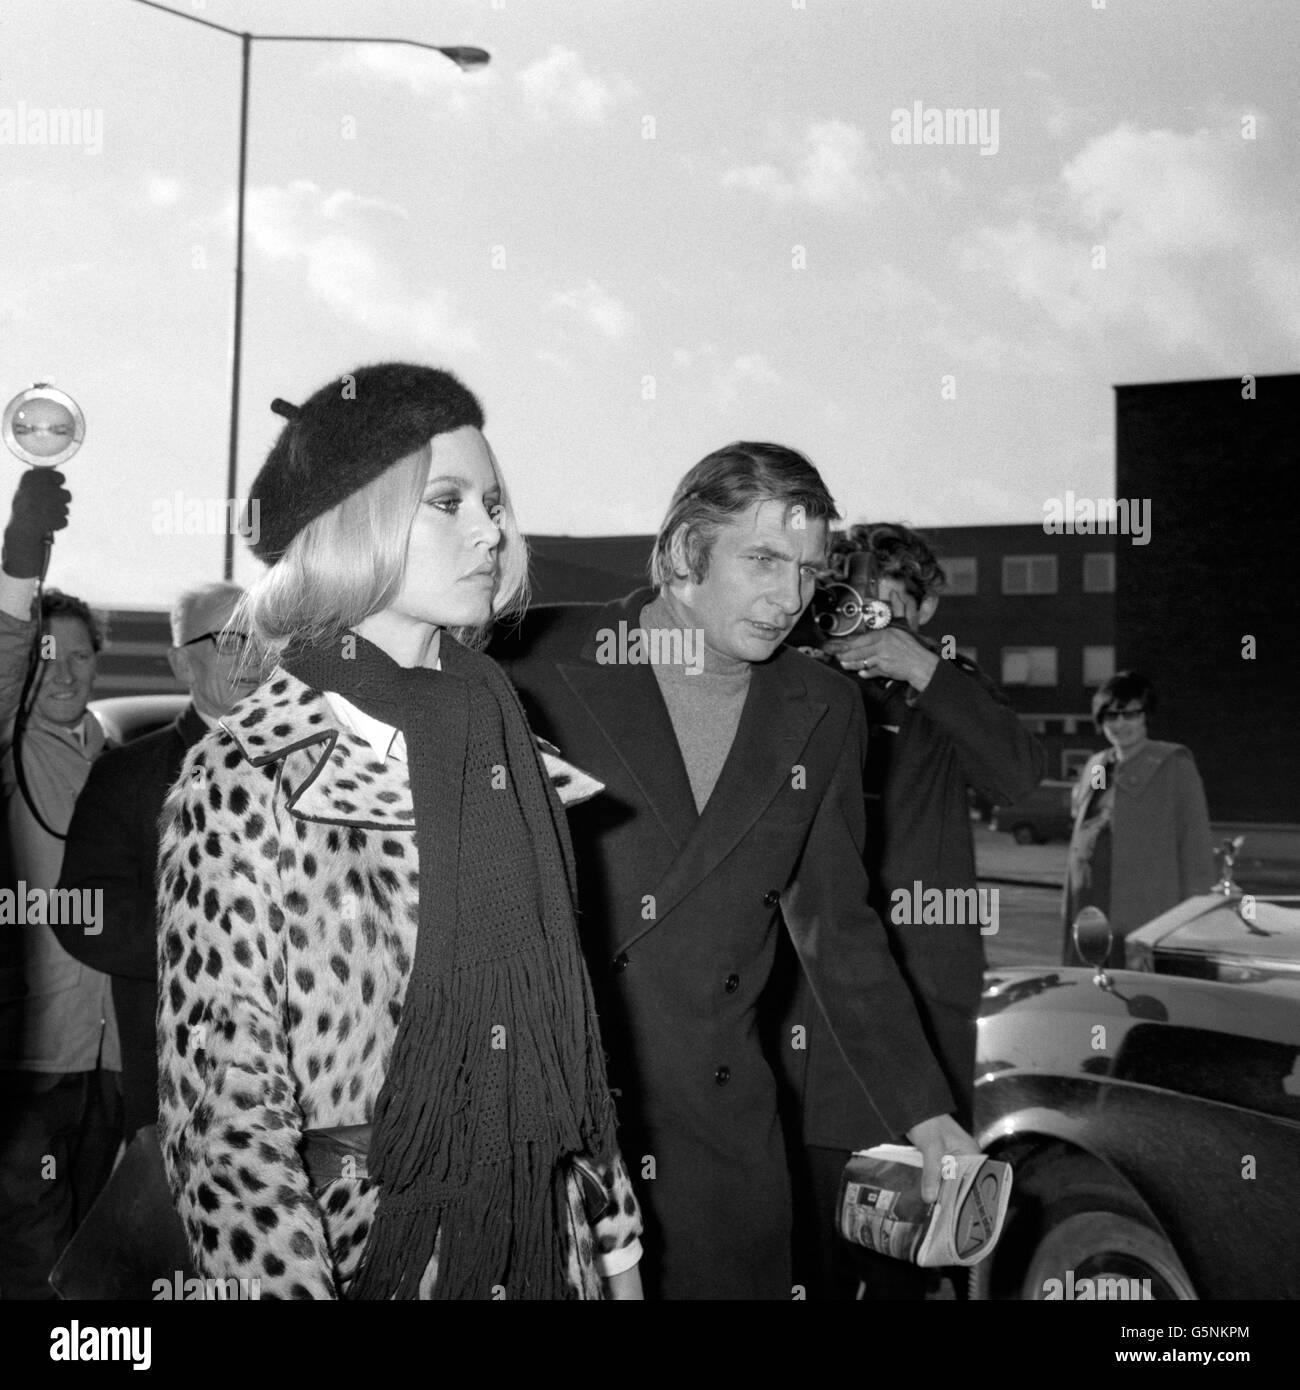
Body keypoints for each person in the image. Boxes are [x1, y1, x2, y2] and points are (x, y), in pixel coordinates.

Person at [155, 363, 642, 1300]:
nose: (491, 531)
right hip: (371, 1259)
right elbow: (225, 1127)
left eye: (494, 503)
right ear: (354, 527)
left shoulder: (514, 752)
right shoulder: (247, 775)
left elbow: (568, 1046)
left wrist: (618, 1256)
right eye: (448, 502)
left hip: (550, 1251)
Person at [490, 442, 978, 1300]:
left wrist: (924, 1109)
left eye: (808, 572)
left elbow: (840, 929)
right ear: (683, 553)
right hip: (548, 1126)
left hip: (721, 1140)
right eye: (763, 560)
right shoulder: (528, 659)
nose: (789, 599)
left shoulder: (823, 709)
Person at [791, 521, 1046, 1300]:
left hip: (922, 1007)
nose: (872, 621)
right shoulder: (799, 680)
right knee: (813, 1251)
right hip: (813, 1012)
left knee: (909, 1257)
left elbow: (1019, 778)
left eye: (892, 606)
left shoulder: (947, 682)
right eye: (859, 601)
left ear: (924, 610)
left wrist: (922, 671)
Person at [53, 582, 256, 1143]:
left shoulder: (313, 766)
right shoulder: (127, 775)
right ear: (181, 665)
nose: (254, 653)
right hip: (183, 1083)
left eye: (261, 635)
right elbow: (80, 910)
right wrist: (211, 944)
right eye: (231, 638)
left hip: (303, 1083)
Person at [0, 467, 122, 1299]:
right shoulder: (8, 752)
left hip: (109, 1070)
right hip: (29, 1071)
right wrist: (22, 553)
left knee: (85, 1262)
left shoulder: (117, 766)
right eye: (52, 654)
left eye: (82, 655)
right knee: (34, 1267)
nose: (68, 671)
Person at [1062, 671, 1214, 968]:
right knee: (1090, 988)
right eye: (1111, 716)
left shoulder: (1175, 765)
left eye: (1130, 714)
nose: (1120, 724)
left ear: (1146, 716)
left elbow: (1195, 846)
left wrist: (1195, 918)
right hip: (1091, 904)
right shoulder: (1096, 765)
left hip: (1148, 908)